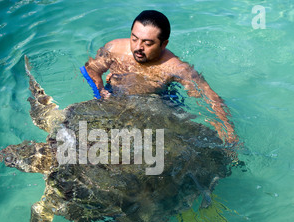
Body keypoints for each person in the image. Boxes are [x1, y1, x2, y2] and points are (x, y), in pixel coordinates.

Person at [84, 10, 238, 144]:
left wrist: (227, 130)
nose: (138, 47)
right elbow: (91, 70)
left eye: (147, 43)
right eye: (134, 38)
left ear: (164, 44)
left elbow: (209, 97)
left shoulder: (176, 68)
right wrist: (101, 92)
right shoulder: (114, 48)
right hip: (116, 95)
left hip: (158, 101)